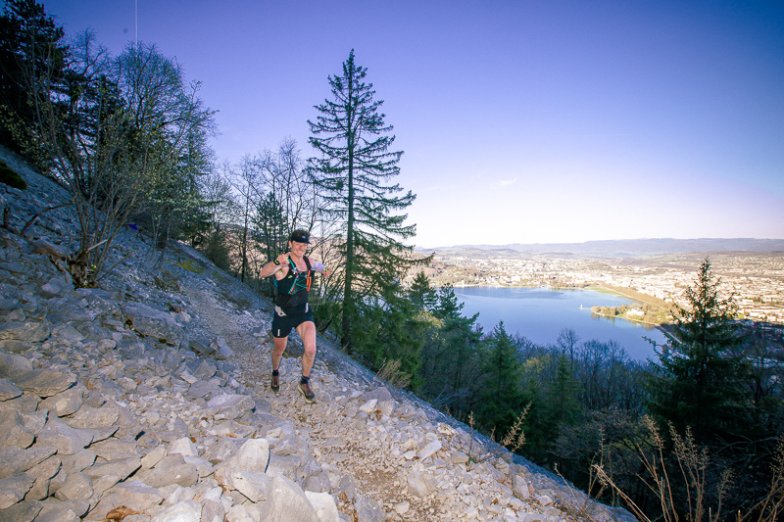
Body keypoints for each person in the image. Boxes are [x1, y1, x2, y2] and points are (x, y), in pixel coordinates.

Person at [258, 229, 329, 403]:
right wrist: (276, 261)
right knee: (279, 349)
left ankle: (304, 382)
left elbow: (321, 267)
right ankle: (275, 371)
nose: (301, 248)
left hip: (303, 313)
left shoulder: (308, 261)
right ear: (290, 243)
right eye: (297, 244)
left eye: (304, 245)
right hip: (283, 315)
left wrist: (325, 270)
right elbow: (263, 273)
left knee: (311, 349)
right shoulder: (283, 263)